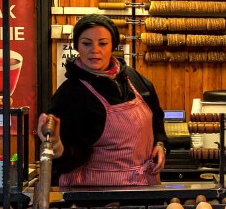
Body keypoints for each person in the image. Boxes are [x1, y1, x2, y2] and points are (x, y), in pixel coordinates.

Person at [37, 14, 167, 188]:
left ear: (113, 45)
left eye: (103, 43)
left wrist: (160, 143)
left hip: (142, 187)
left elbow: (156, 118)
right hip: (92, 193)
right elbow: (68, 156)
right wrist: (58, 147)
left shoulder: (134, 79)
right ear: (77, 46)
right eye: (86, 43)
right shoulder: (70, 95)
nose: (95, 50)